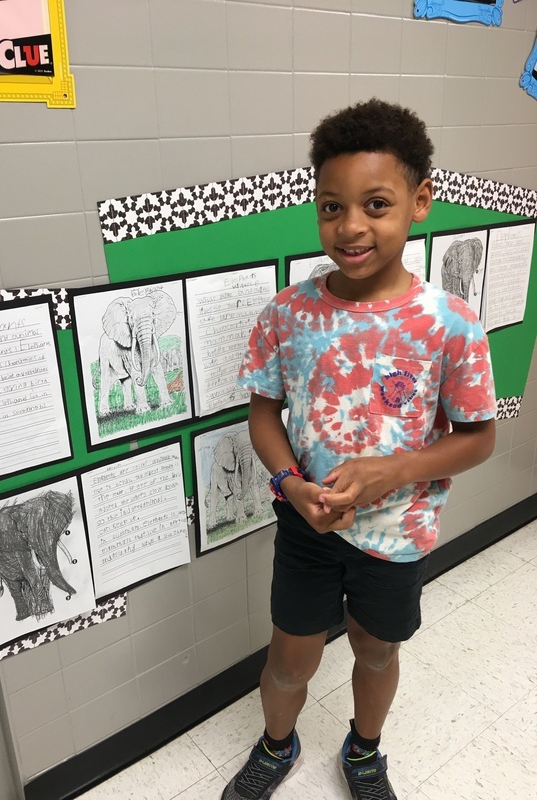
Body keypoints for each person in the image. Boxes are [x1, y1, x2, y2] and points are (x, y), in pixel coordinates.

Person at [222, 98, 496, 800]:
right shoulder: (288, 313)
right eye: (331, 207)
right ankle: (276, 745)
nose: (350, 226)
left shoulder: (450, 323)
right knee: (290, 659)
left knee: (376, 650)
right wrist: (290, 484)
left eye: (376, 204)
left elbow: (478, 438)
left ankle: (365, 751)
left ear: (420, 201)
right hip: (306, 525)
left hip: (398, 533)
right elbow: (263, 414)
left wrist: (394, 470)